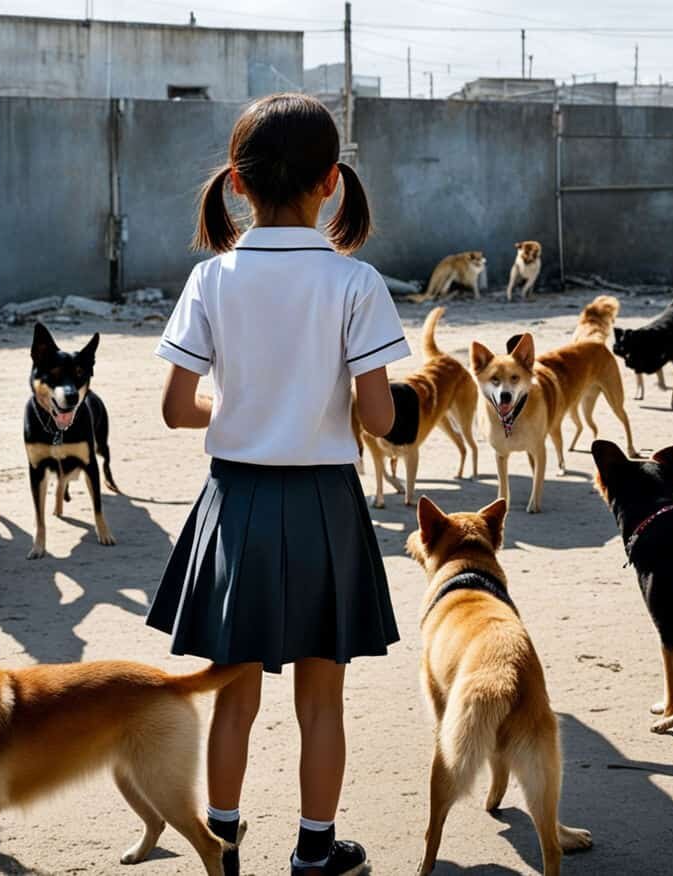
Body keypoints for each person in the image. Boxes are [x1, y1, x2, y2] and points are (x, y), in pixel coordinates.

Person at [148, 93, 408, 875]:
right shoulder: (355, 282)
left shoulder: (211, 278)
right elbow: (378, 416)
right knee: (321, 701)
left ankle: (221, 845)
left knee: (234, 692)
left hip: (234, 505)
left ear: (237, 182)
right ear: (332, 181)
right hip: (325, 505)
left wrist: (237, 407)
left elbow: (173, 409)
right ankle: (315, 852)